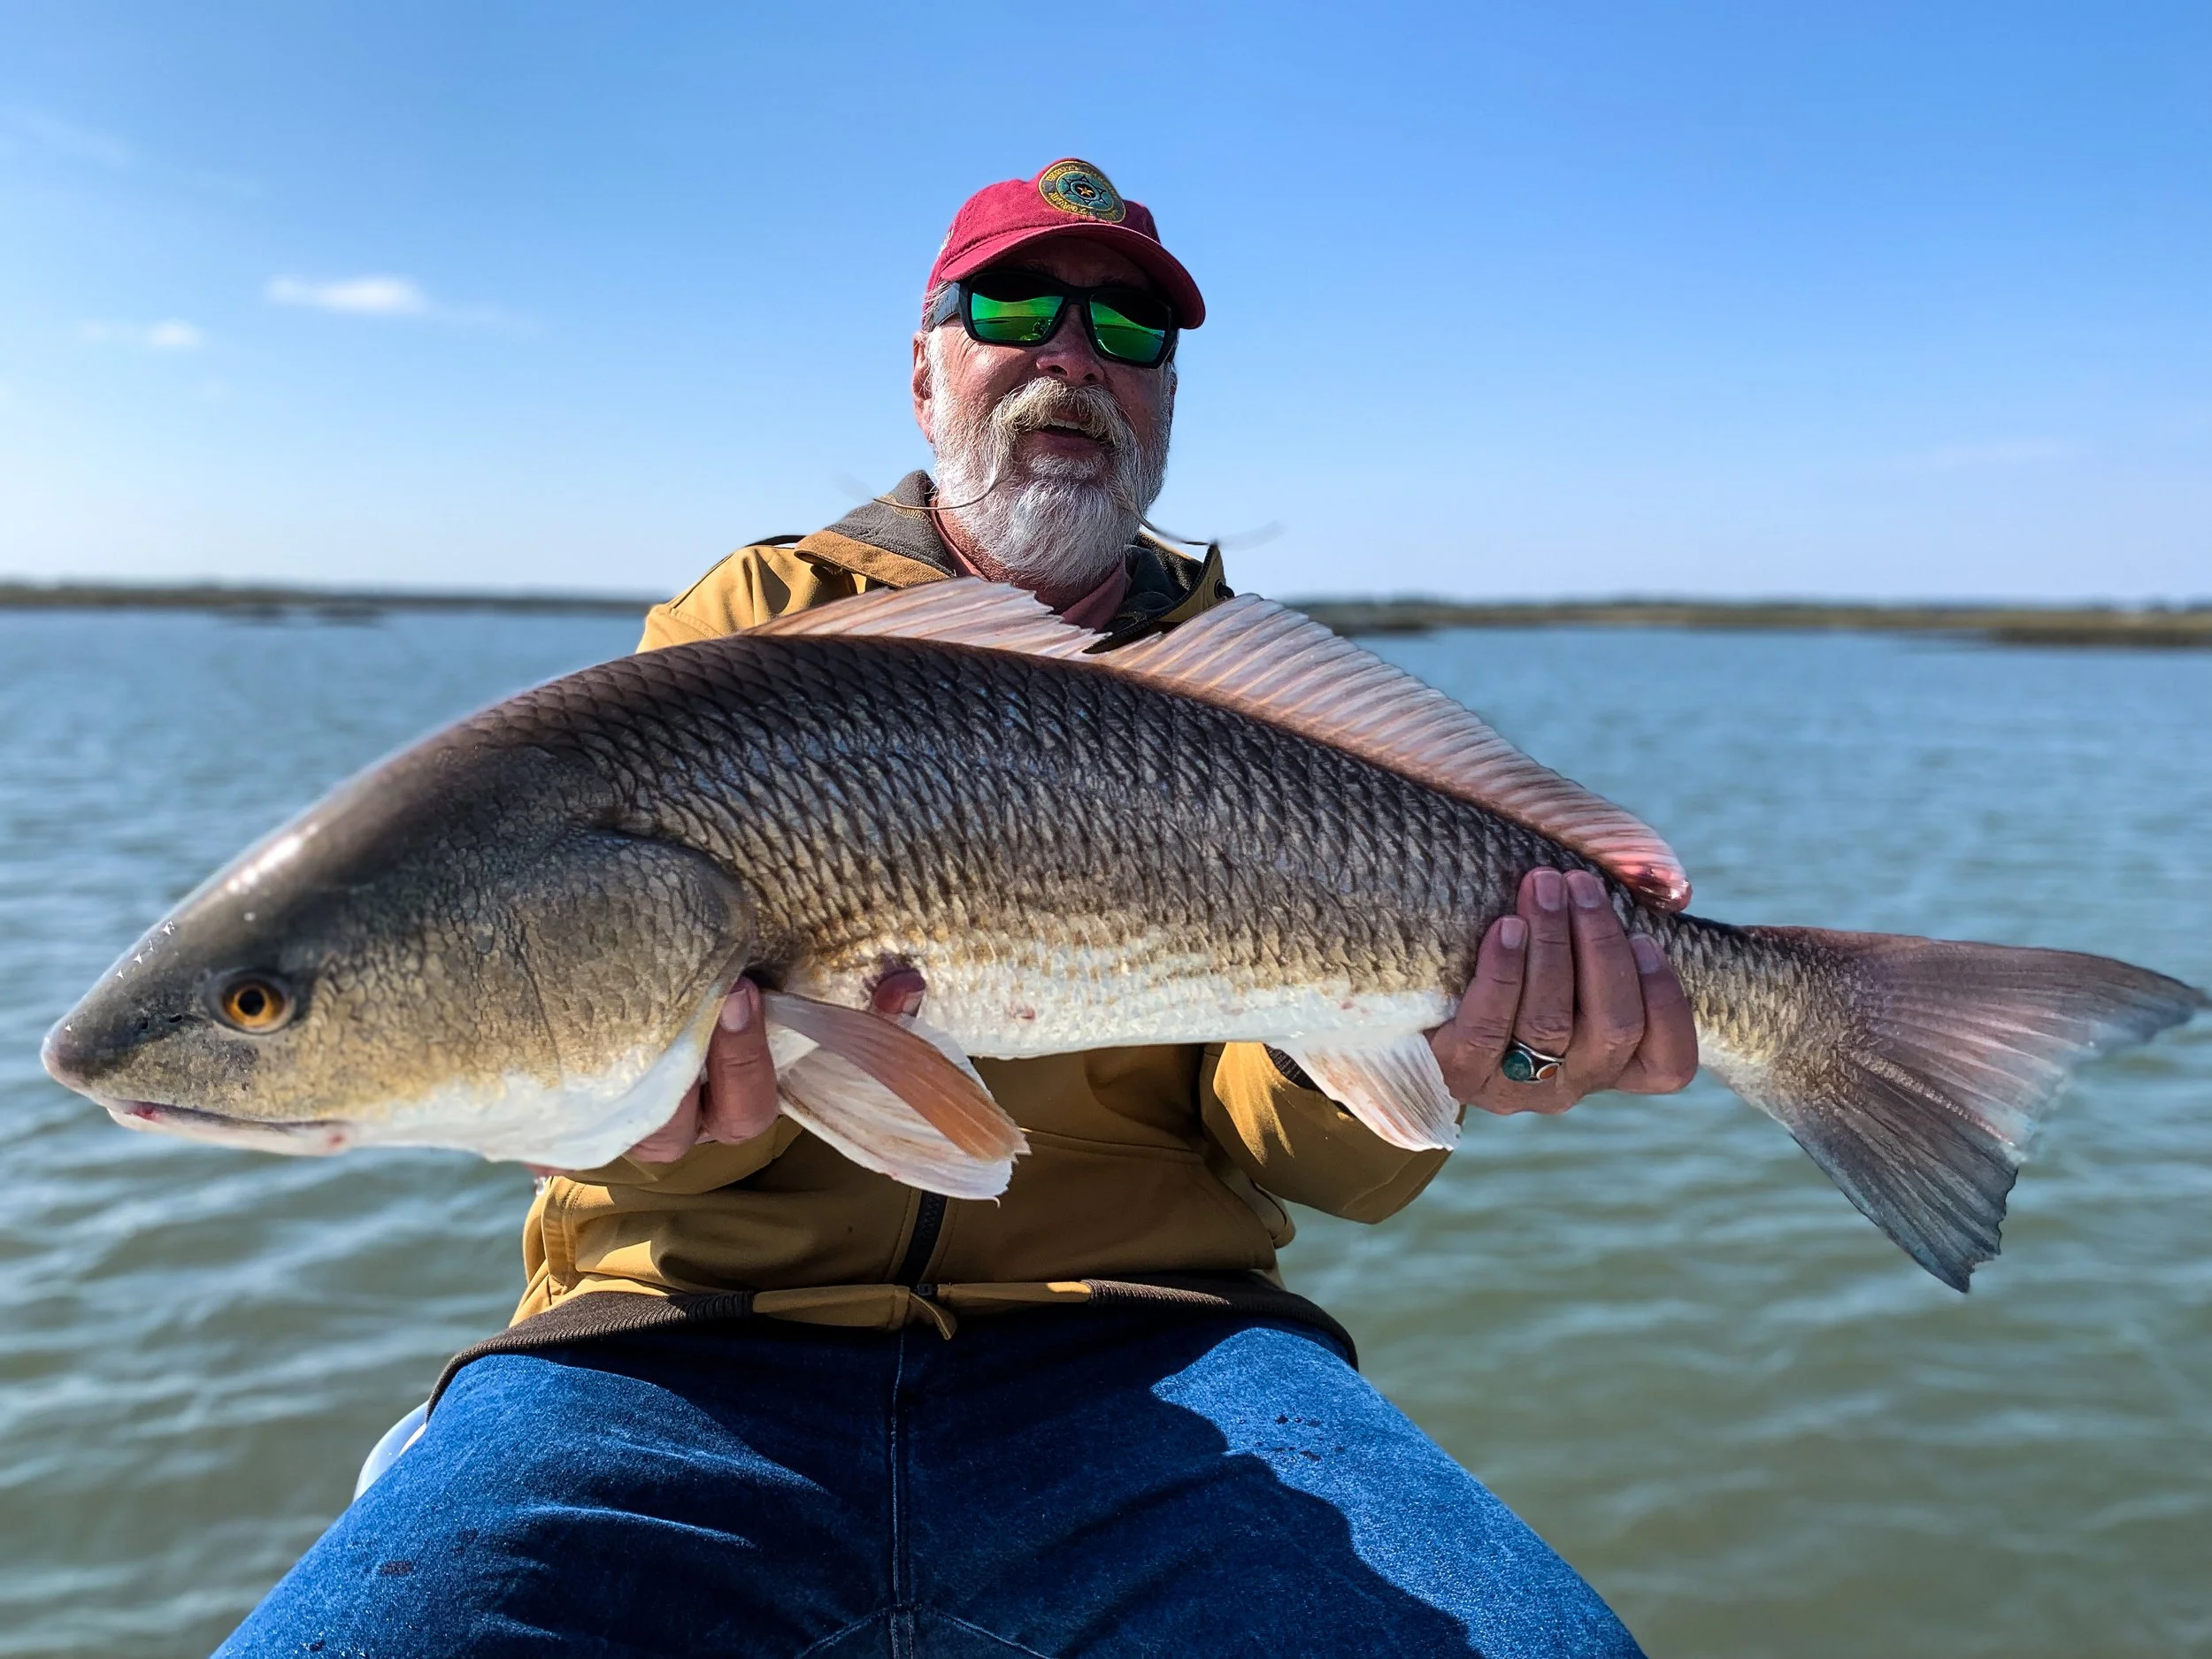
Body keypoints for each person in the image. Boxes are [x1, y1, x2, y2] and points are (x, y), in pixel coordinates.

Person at [219, 159, 1696, 1658]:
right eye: (1011, 306)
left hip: (1157, 1350)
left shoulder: (1252, 703)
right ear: (924, 372)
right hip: (686, 1351)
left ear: (1168, 405)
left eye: (1130, 332)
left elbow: (1291, 1145)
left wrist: (1458, 1053)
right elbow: (592, 1068)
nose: (1072, 355)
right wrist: (650, 1127)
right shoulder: (748, 626)